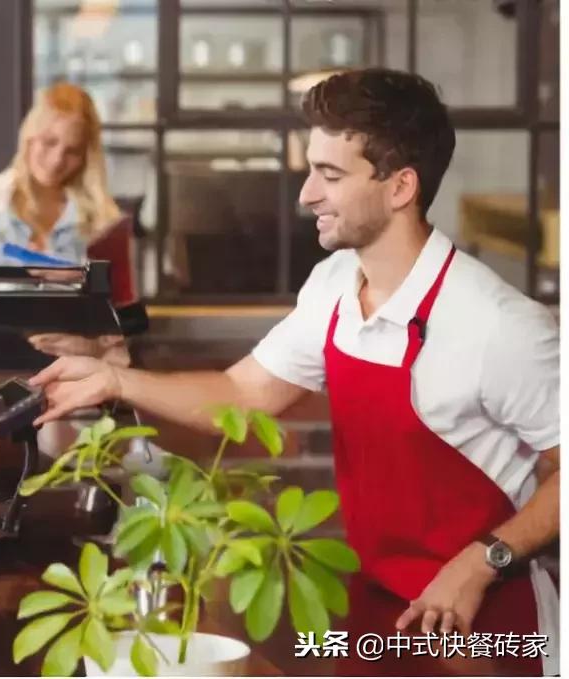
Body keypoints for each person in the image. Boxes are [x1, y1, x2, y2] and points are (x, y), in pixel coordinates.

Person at [29, 68, 558, 675]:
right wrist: (114, 377)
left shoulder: (500, 323)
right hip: (379, 607)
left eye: (329, 175)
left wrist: (481, 560)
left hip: (487, 624)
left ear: (400, 187)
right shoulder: (334, 287)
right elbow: (242, 393)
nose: (305, 194)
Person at [0, 82, 136, 365]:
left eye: (72, 151)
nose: (57, 160)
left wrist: (95, 346)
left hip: (77, 379)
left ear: (86, 156)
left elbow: (136, 315)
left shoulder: (105, 221)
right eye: (49, 142)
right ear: (29, 137)